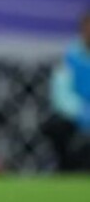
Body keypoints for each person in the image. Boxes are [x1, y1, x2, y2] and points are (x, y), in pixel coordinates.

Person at [41, 10, 90, 172]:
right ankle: (66, 169)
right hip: (77, 114)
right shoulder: (70, 57)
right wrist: (81, 112)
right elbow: (61, 94)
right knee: (56, 126)